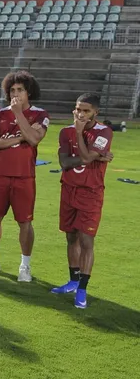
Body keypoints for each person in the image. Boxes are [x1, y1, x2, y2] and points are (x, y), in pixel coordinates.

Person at [0, 71, 49, 282]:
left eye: (20, 90)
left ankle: (24, 266)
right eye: (12, 90)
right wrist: (20, 137)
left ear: (29, 92)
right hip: (0, 175)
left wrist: (18, 114)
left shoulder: (40, 114)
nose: (15, 94)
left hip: (24, 176)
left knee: (25, 223)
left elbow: (35, 139)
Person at [52, 93, 113, 309]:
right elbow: (64, 162)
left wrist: (80, 136)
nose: (80, 113)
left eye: (86, 110)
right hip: (68, 190)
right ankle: (72, 280)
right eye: (78, 109)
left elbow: (86, 159)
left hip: (91, 193)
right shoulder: (64, 132)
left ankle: (82, 289)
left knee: (87, 241)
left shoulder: (104, 131)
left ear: (95, 112)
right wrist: (97, 155)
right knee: (71, 237)